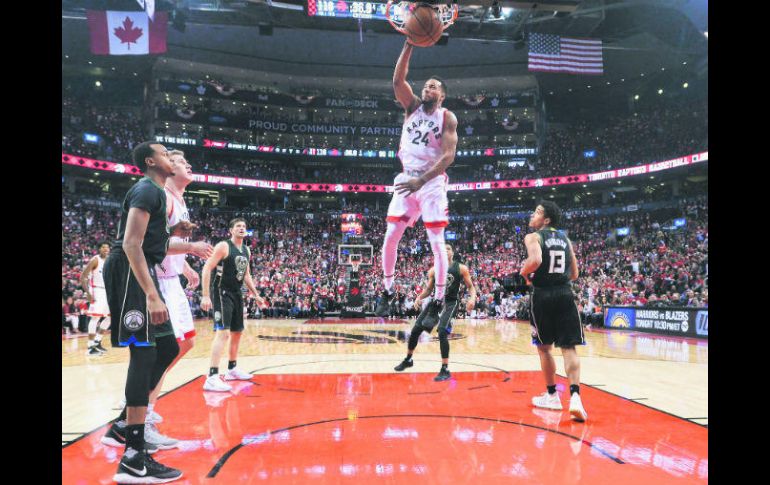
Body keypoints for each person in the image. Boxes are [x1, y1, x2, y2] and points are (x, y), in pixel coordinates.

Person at [99, 141, 204, 484]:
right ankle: (133, 456)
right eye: (164, 153)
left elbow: (148, 240)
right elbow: (131, 243)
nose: (170, 156)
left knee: (169, 347)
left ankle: (123, 424)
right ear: (150, 161)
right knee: (143, 354)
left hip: (140, 270)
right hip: (130, 272)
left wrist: (173, 233)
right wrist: (151, 295)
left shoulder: (156, 193)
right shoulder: (147, 189)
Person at [375, 39, 459, 333]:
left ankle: (437, 301)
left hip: (431, 181)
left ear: (442, 95)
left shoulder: (447, 117)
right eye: (425, 86)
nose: (427, 89)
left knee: (437, 241)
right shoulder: (411, 107)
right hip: (406, 177)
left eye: (433, 87)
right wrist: (409, 44)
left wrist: (421, 181)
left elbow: (448, 156)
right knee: (390, 236)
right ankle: (388, 290)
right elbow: (398, 80)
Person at [143, 150, 213, 446]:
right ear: (169, 169)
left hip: (172, 280)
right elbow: (154, 242)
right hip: (159, 282)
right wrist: (192, 247)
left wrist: (186, 267)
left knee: (185, 343)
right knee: (164, 349)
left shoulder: (180, 201)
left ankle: (145, 397)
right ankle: (140, 410)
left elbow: (173, 242)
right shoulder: (165, 198)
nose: (189, 165)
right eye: (182, 163)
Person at [520, 201, 587, 422]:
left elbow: (536, 260)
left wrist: (523, 272)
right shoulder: (566, 240)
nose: (533, 214)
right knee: (569, 347)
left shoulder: (533, 237)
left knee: (544, 348)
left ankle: (552, 396)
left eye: (537, 212)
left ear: (546, 220)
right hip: (565, 294)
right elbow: (575, 274)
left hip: (542, 295)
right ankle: (575, 397)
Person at [394, 244, 476, 381]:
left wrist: (472, 298)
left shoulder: (461, 268)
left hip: (450, 302)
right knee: (415, 330)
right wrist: (419, 297)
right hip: (436, 302)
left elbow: (471, 287)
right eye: (443, 249)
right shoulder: (433, 270)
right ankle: (408, 359)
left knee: (442, 331)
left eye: (448, 249)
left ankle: (445, 369)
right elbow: (428, 290)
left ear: (452, 253)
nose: (445, 251)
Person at [201, 218, 265, 392]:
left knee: (237, 332)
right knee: (223, 333)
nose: (242, 228)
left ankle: (232, 369)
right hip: (221, 292)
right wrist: (205, 295)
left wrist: (256, 294)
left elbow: (246, 275)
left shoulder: (246, 250)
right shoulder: (224, 246)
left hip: (237, 292)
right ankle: (212, 376)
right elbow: (207, 268)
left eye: (244, 226)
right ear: (231, 230)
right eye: (238, 226)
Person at [80, 242, 112, 355]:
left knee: (110, 318)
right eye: (103, 247)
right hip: (97, 291)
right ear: (99, 249)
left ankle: (97, 341)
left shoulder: (109, 260)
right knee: (95, 318)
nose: (106, 249)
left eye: (107, 247)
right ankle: (90, 347)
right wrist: (88, 293)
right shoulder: (95, 260)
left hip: (107, 291)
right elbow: (83, 276)